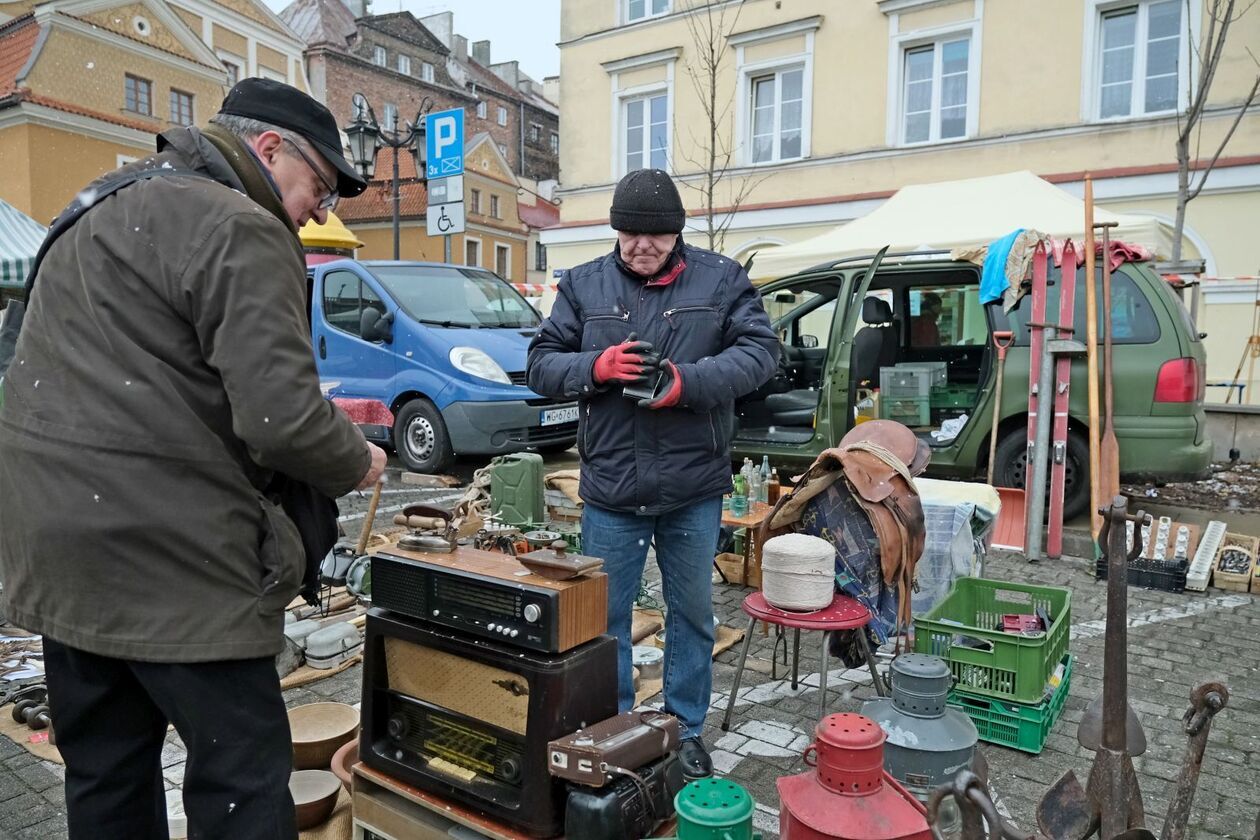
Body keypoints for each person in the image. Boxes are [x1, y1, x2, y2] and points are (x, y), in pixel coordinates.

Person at [0, 79, 387, 839]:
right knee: (242, 783)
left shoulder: (98, 202)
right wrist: (359, 460)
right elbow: (281, 421)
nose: (322, 209)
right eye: (321, 185)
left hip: (60, 557)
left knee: (106, 776)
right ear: (269, 149)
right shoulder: (240, 224)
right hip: (175, 562)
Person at [526, 169, 779, 779]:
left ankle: (685, 727)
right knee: (605, 622)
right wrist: (599, 365)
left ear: (677, 233)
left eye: (656, 236)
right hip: (612, 488)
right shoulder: (583, 284)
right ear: (615, 231)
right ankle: (614, 728)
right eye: (630, 234)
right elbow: (539, 364)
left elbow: (761, 354)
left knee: (691, 613)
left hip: (693, 488)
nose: (642, 246)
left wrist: (686, 385)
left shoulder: (721, 279)